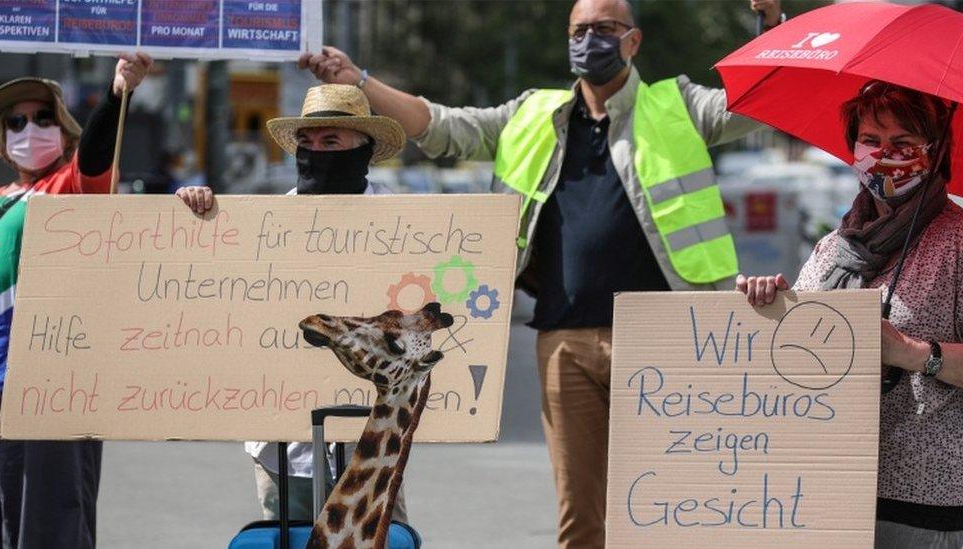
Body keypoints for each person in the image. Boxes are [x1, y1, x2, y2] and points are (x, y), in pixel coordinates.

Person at [304, 0, 782, 545]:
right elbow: (440, 126)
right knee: (580, 517)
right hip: (564, 341)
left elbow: (756, 106)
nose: (590, 40)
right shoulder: (532, 113)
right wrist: (360, 81)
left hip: (668, 337)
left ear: (634, 41)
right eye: (579, 30)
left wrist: (770, 34)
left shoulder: (679, 104)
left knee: (669, 506)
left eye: (605, 28)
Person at [737, 81, 963, 548]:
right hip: (826, 492)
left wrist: (912, 353)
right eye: (872, 140)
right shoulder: (834, 247)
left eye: (903, 143)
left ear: (936, 152)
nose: (885, 154)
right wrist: (769, 306)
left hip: (924, 503)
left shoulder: (957, 242)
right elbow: (788, 363)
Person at [175, 84, 410, 523]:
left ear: (363, 149)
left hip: (371, 441)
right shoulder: (263, 226)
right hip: (280, 445)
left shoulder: (403, 225)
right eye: (307, 142)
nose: (315, 152)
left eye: (330, 142)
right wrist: (196, 214)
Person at [0, 53, 152, 549]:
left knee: (47, 532)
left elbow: (97, 159)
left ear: (64, 130)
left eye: (43, 119)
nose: (29, 129)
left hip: (46, 392)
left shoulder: (68, 190)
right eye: (16, 121)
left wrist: (117, 95)